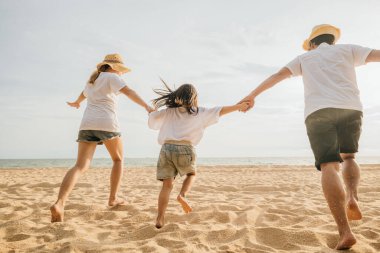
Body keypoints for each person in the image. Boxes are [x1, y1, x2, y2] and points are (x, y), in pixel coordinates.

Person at [238, 24, 380, 250]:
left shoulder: (305, 58)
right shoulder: (348, 50)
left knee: (329, 166)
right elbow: (377, 55)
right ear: (332, 40)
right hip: (350, 108)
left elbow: (277, 76)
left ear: (312, 43)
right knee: (350, 157)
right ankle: (352, 196)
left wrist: (251, 96)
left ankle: (345, 231)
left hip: (318, 112)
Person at [50, 54, 154, 222]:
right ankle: (113, 198)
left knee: (80, 166)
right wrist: (147, 106)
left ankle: (59, 203)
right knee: (118, 160)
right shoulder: (112, 77)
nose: (121, 73)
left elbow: (84, 94)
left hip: (87, 124)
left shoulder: (93, 81)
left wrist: (77, 102)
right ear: (113, 67)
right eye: (120, 70)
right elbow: (129, 92)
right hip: (106, 123)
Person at [148, 81, 249, 229]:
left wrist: (152, 112)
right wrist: (238, 107)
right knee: (191, 174)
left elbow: (152, 122)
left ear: (177, 96)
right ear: (194, 98)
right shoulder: (199, 112)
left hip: (166, 149)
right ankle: (182, 195)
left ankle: (160, 217)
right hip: (186, 148)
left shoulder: (169, 111)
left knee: (167, 185)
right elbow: (220, 111)